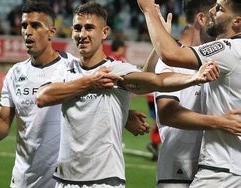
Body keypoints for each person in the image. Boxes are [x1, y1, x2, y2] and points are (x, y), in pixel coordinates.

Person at [35, 1, 219, 188]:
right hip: (65, 180)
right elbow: (42, 97)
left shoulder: (116, 69)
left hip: (104, 181)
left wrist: (194, 78)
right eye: (77, 28)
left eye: (89, 28)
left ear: (104, 32)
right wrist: (90, 82)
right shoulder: (65, 69)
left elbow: (157, 81)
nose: (82, 34)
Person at [0, 1, 150, 187]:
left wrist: (123, 117)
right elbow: (2, 129)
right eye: (24, 26)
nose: (28, 31)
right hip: (24, 178)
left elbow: (94, 99)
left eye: (35, 25)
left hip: (62, 179)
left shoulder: (72, 67)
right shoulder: (15, 74)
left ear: (51, 32)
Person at [137, 0, 241, 187]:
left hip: (221, 170)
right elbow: (164, 107)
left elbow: (170, 54)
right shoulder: (211, 58)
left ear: (237, 22)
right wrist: (219, 122)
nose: (212, 12)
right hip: (181, 170)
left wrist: (148, 11)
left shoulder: (227, 50)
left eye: (219, 9)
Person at [146, 93, 161, 161]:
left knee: (157, 122)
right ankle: (154, 143)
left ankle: (155, 150)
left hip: (151, 95)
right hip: (159, 95)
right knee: (161, 122)